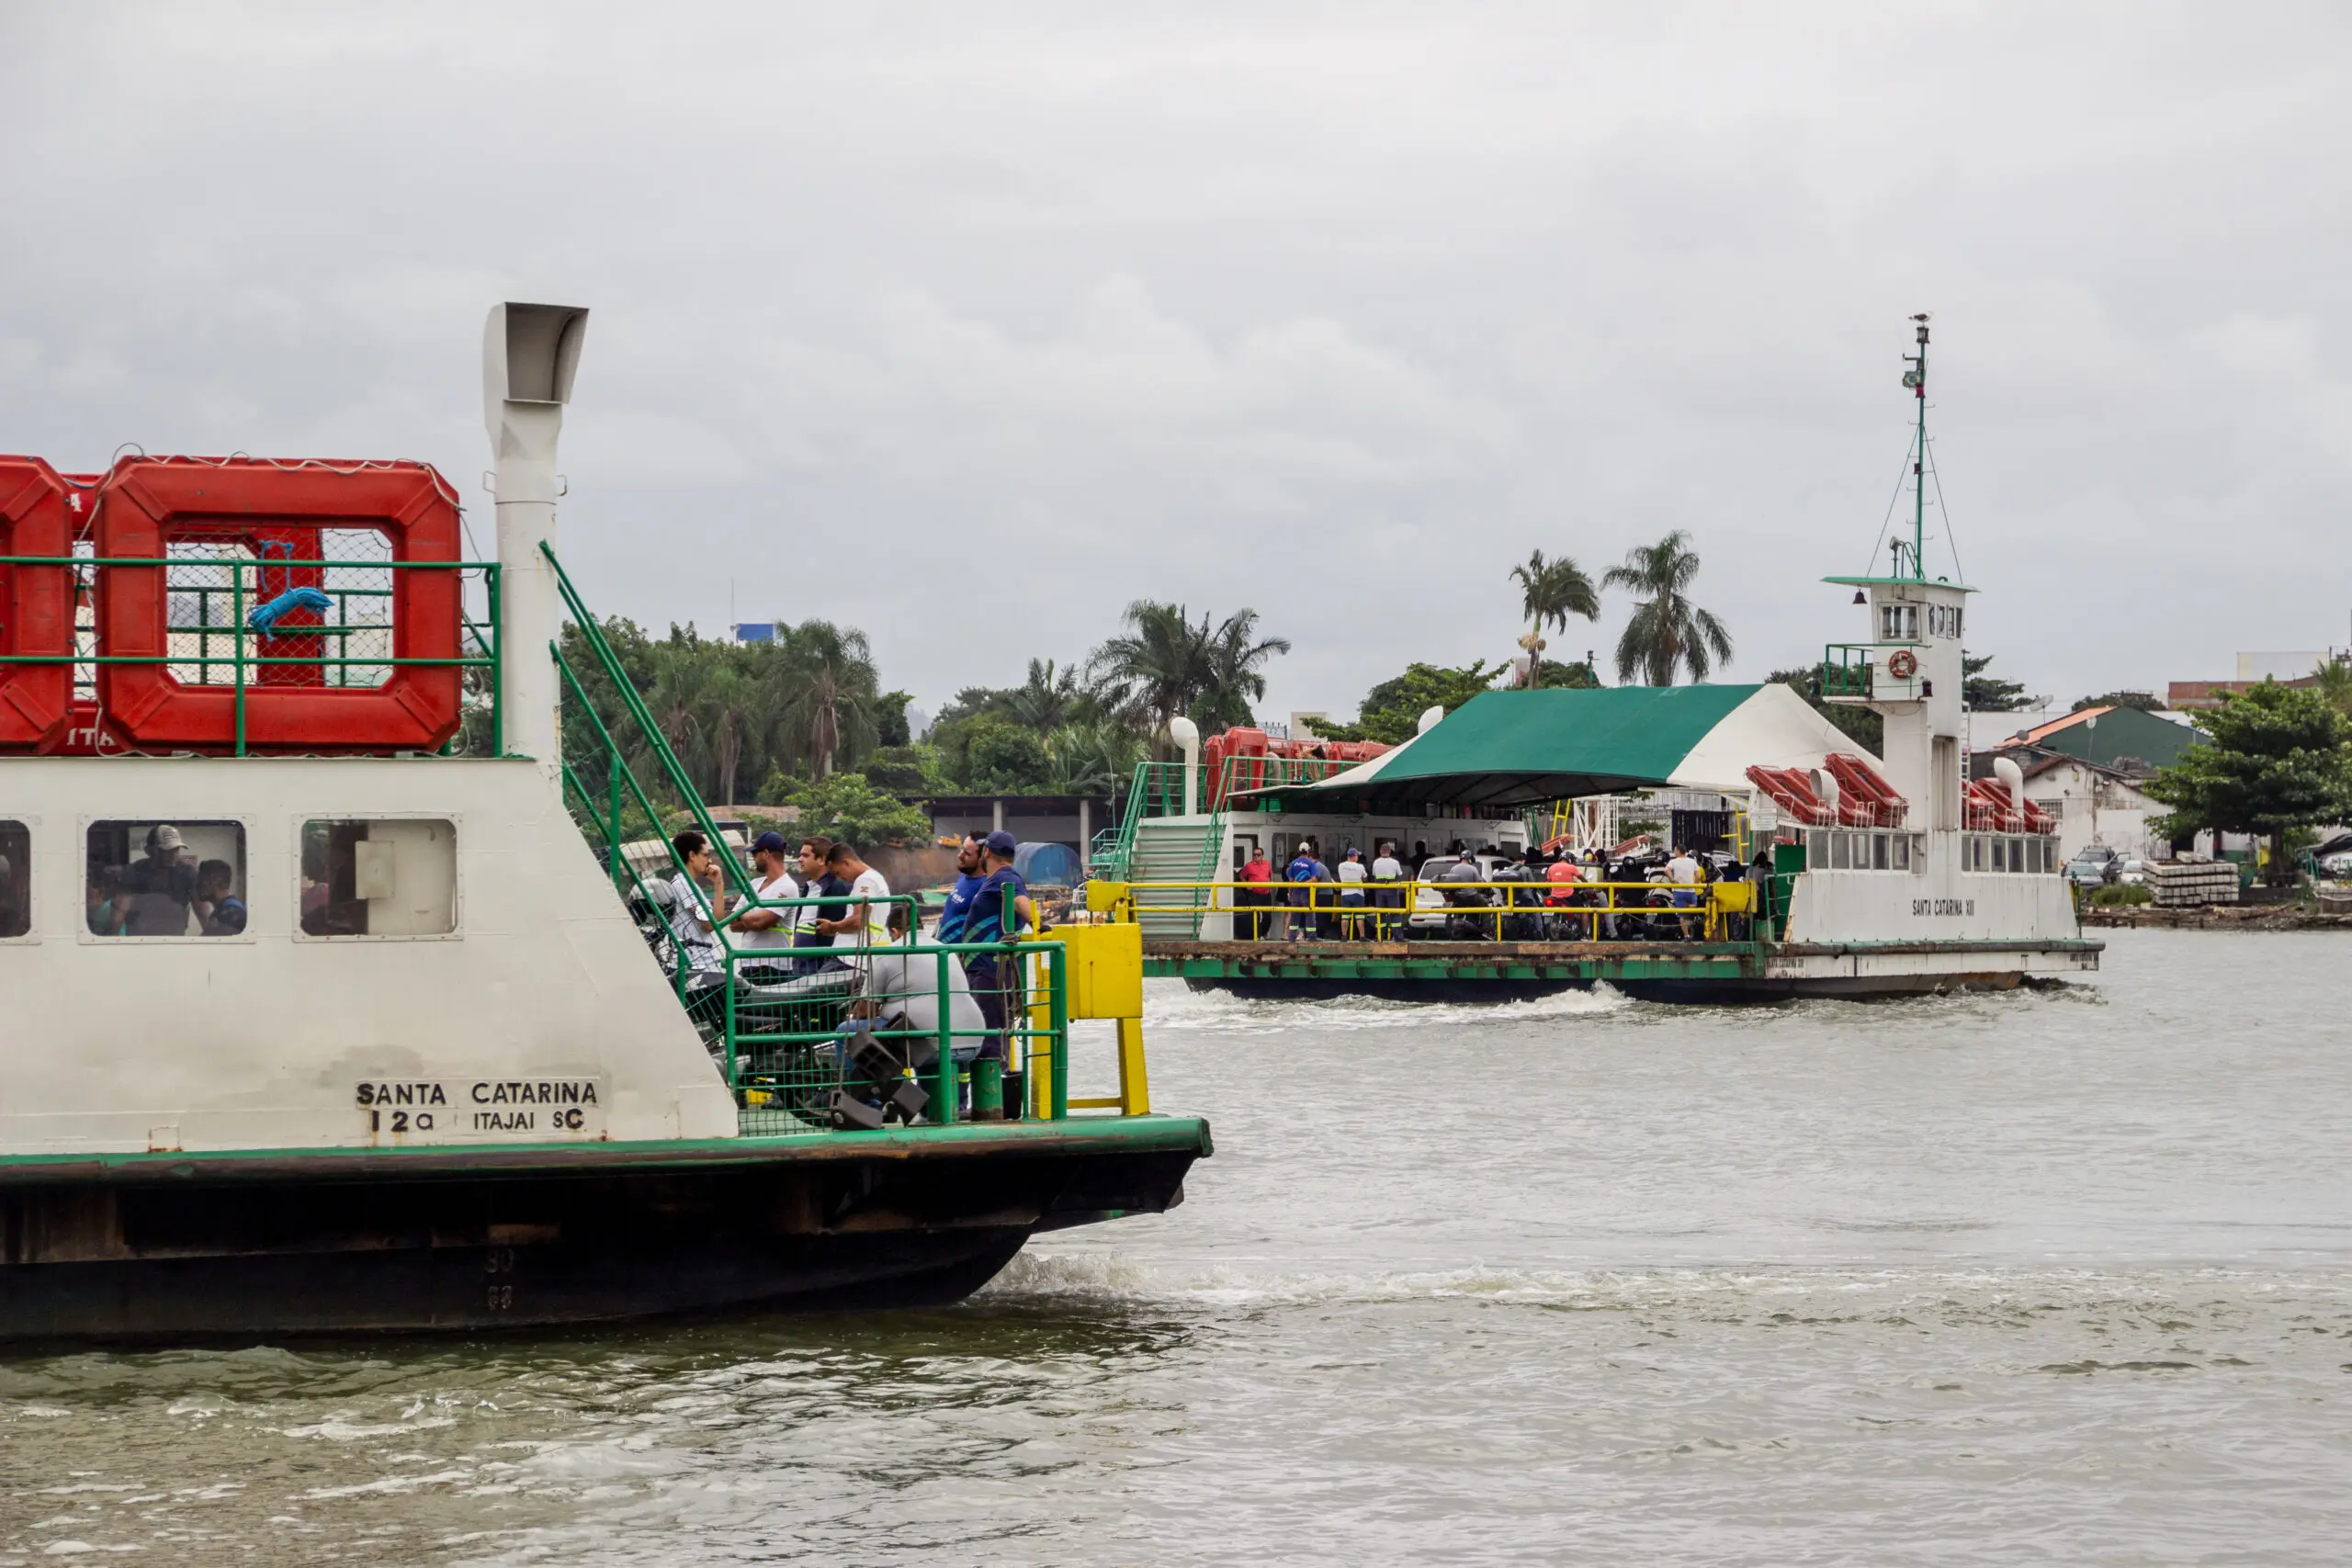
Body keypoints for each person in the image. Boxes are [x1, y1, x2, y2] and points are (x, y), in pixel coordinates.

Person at [961, 830, 1035, 1062]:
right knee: (985, 1037)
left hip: (991, 972)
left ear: (987, 852)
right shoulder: (997, 878)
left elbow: (1022, 902)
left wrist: (1039, 925)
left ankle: (993, 1095)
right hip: (982, 970)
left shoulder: (1005, 877)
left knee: (990, 1042)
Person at [726, 830, 802, 979]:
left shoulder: (787, 886)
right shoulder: (754, 884)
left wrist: (745, 917)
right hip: (747, 963)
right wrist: (751, 920)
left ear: (766, 853)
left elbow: (761, 921)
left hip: (773, 966)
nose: (753, 857)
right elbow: (733, 924)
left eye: (755, 853)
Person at [664, 829, 730, 975]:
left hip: (701, 964)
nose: (710, 861)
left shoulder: (688, 884)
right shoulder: (683, 884)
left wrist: (719, 883)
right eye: (706, 855)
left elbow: (716, 920)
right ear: (692, 856)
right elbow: (709, 924)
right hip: (695, 966)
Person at [122, 824, 199, 936]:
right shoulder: (132, 871)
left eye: (176, 850)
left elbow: (202, 910)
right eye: (167, 851)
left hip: (174, 940)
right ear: (149, 851)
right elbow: (120, 910)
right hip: (139, 940)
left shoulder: (188, 873)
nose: (174, 856)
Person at [815, 840, 891, 951]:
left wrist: (832, 927)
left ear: (845, 862)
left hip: (851, 954)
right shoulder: (872, 878)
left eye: (837, 872)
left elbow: (858, 921)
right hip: (856, 952)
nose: (839, 878)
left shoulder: (866, 880)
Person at [792, 836, 850, 973]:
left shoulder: (837, 887)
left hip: (818, 967)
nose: (799, 859)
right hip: (800, 965)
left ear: (822, 859)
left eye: (805, 855)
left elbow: (834, 931)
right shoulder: (809, 886)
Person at [935, 835, 986, 942]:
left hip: (959, 955)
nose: (959, 855)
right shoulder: (964, 875)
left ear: (982, 859)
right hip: (944, 952)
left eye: (967, 853)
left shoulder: (984, 886)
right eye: (962, 849)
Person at [195, 860, 246, 937]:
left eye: (203, 880)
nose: (198, 886)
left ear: (216, 880)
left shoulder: (230, 914)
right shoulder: (224, 909)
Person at [1237, 842, 1274, 941]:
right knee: (1256, 915)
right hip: (1254, 894)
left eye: (1258, 854)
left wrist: (1272, 883)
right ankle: (1258, 935)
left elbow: (1270, 874)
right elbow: (1241, 875)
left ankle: (1264, 933)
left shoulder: (1267, 864)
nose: (1256, 856)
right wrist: (1246, 884)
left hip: (1266, 893)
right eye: (1255, 855)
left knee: (1268, 916)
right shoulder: (1249, 866)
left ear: (1262, 855)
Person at [1665, 842, 1703, 938]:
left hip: (1678, 891)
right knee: (1694, 908)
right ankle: (1689, 909)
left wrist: (1672, 879)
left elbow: (1666, 870)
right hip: (1691, 891)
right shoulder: (1692, 861)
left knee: (1681, 915)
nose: (1674, 853)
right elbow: (1698, 876)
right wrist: (1694, 884)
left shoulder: (1673, 861)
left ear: (1678, 851)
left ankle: (1686, 935)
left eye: (1675, 851)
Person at [1369, 840, 1405, 939]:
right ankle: (1398, 938)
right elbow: (1400, 875)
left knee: (1380, 914)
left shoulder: (1376, 862)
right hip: (1392, 890)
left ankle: (1379, 937)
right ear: (1389, 851)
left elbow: (1374, 875)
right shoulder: (1395, 862)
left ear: (1380, 851)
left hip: (1379, 890)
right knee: (1395, 914)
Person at [1336, 847, 1368, 940]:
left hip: (1345, 894)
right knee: (1359, 917)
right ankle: (1362, 936)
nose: (1358, 857)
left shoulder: (1341, 866)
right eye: (1357, 855)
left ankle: (1344, 936)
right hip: (1358, 894)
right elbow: (1365, 878)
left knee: (1345, 916)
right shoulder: (1360, 866)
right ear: (1354, 856)